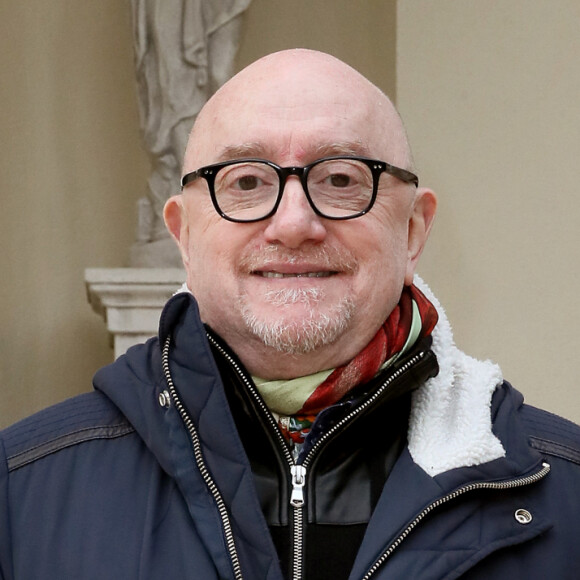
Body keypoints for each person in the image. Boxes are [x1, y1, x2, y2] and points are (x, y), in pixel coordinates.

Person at [1, 49, 579, 580]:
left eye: (341, 178)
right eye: (247, 181)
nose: (294, 224)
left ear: (412, 229)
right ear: (183, 235)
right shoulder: (19, 491)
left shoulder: (567, 493)